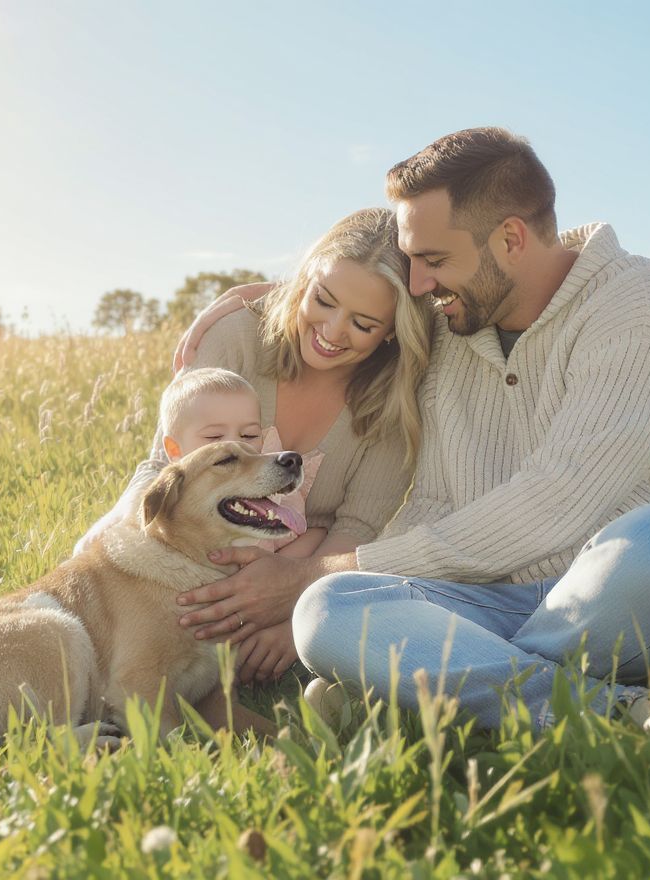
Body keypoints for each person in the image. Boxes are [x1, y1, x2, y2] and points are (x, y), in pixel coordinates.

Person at [174, 128, 650, 769]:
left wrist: (312, 572)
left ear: (510, 239)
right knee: (330, 610)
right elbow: (363, 306)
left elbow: (557, 502)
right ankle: (639, 718)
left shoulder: (640, 308)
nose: (419, 283)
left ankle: (417, 692)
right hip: (504, 603)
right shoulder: (452, 328)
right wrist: (258, 300)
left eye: (434, 259)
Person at [88, 206, 435, 683]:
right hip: (190, 560)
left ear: (393, 329)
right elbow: (166, 465)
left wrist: (295, 610)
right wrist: (110, 530)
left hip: (310, 568)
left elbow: (359, 527)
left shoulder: (393, 404)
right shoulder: (236, 338)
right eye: (323, 300)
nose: (332, 331)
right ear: (305, 281)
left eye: (363, 324)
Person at [77, 366, 324, 555]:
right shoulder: (162, 510)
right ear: (174, 450)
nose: (236, 445)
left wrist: (278, 568)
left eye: (249, 435)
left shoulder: (273, 496)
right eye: (214, 438)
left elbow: (312, 535)